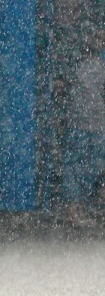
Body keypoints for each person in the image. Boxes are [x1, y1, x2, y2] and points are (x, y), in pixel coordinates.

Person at [61, 29, 105, 226]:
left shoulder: (84, 62)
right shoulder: (78, 61)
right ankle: (74, 207)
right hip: (82, 123)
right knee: (78, 166)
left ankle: (79, 207)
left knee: (88, 166)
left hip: (94, 124)